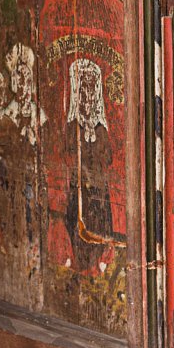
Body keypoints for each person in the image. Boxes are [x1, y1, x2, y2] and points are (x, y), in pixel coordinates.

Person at [64, 58, 115, 273]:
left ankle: (98, 262)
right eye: (82, 92)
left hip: (98, 193)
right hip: (78, 189)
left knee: (100, 226)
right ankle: (79, 261)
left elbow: (108, 158)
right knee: (76, 226)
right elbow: (66, 151)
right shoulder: (73, 126)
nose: (86, 98)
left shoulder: (101, 128)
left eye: (90, 92)